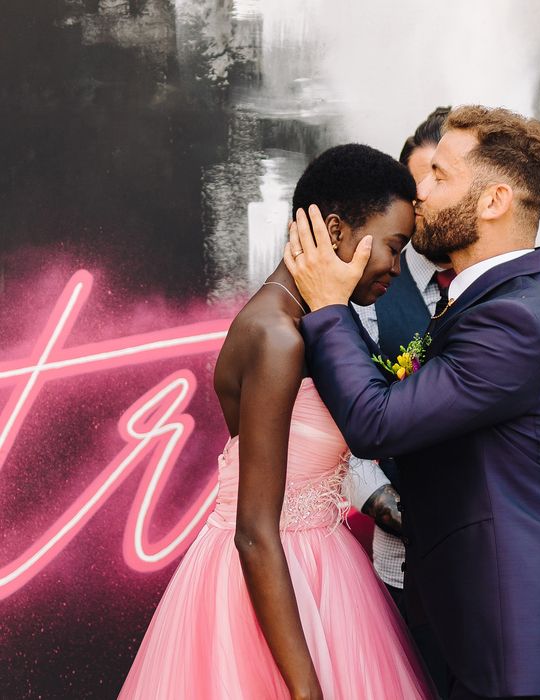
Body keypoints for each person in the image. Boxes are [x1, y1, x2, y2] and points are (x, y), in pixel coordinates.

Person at [286, 106, 540, 699]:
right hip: (492, 637)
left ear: (493, 201)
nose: (418, 192)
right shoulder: (500, 300)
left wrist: (327, 308)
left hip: (522, 651)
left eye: (439, 175)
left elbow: (376, 422)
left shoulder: (513, 319)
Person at [119, 144, 435, 700]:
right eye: (394, 246)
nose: (396, 267)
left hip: (320, 571)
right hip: (271, 577)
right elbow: (254, 530)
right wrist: (305, 690)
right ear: (335, 229)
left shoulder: (308, 323)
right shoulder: (276, 337)